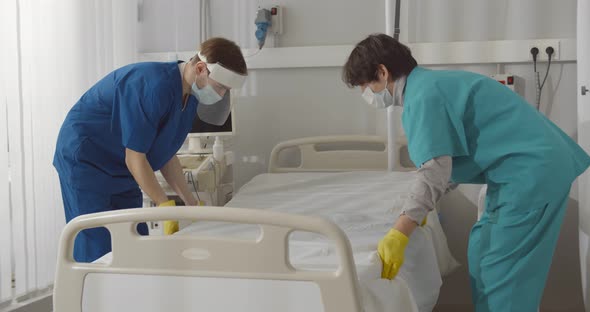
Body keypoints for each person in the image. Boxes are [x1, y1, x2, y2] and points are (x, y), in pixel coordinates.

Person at [342, 33, 590, 311]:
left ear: (382, 72)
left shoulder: (422, 97)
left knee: (500, 270)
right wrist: (420, 207)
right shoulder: (431, 85)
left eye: (365, 86)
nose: (368, 95)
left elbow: (434, 171)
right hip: (527, 170)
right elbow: (451, 161)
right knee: (484, 250)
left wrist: (401, 230)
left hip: (529, 174)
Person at [53, 37, 248, 263]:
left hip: (119, 166)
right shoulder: (152, 87)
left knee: (134, 239)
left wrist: (191, 203)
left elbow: (165, 153)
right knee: (98, 246)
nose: (221, 95)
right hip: (86, 159)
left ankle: (130, 295)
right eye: (221, 87)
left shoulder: (190, 96)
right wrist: (165, 207)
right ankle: (92, 297)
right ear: (201, 68)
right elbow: (135, 158)